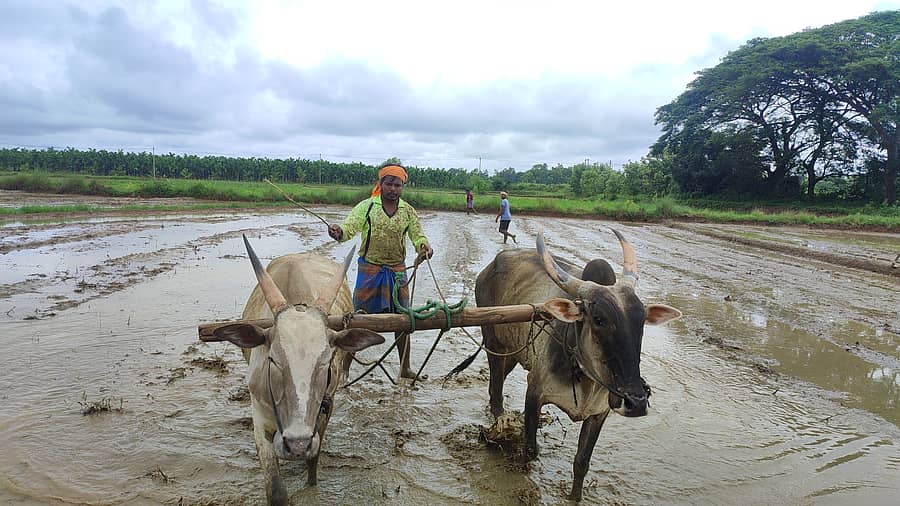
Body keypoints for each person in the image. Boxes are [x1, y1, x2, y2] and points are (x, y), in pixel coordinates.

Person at [328, 162, 433, 379]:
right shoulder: (367, 207)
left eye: (398, 185)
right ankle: (345, 368)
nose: (393, 189)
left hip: (397, 272)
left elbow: (417, 235)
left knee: (404, 321)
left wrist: (424, 246)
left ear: (402, 187)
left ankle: (404, 368)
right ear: (381, 184)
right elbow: (350, 227)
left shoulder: (408, 212)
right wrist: (339, 232)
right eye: (389, 184)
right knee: (358, 319)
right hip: (370, 270)